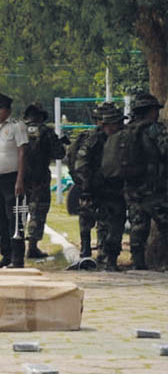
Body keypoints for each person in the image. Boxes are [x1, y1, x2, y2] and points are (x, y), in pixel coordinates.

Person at [73, 103, 126, 272]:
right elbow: (81, 164)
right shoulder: (93, 139)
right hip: (98, 189)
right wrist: (87, 187)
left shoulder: (120, 137)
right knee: (102, 224)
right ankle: (98, 257)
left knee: (115, 225)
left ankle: (110, 260)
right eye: (115, 123)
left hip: (116, 188)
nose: (118, 126)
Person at [119, 93, 168, 270]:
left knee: (138, 226)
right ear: (149, 111)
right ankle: (163, 263)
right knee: (165, 225)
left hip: (131, 186)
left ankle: (138, 263)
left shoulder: (127, 130)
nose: (157, 114)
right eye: (155, 110)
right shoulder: (154, 129)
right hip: (154, 187)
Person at [0, 93, 29, 267]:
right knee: (0, 220)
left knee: (15, 219)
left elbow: (22, 152)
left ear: (8, 110)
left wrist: (20, 180)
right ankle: (6, 255)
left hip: (12, 179)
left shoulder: (17, 127)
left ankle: (17, 258)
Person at [21, 103, 66, 258]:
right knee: (37, 212)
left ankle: (17, 245)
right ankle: (32, 247)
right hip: (40, 179)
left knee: (19, 211)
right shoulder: (46, 132)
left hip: (19, 178)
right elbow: (59, 153)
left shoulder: (19, 129)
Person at [65, 108, 105, 260]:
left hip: (87, 184)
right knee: (98, 218)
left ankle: (87, 250)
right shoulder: (94, 138)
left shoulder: (86, 136)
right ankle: (95, 250)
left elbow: (71, 158)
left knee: (88, 218)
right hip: (92, 183)